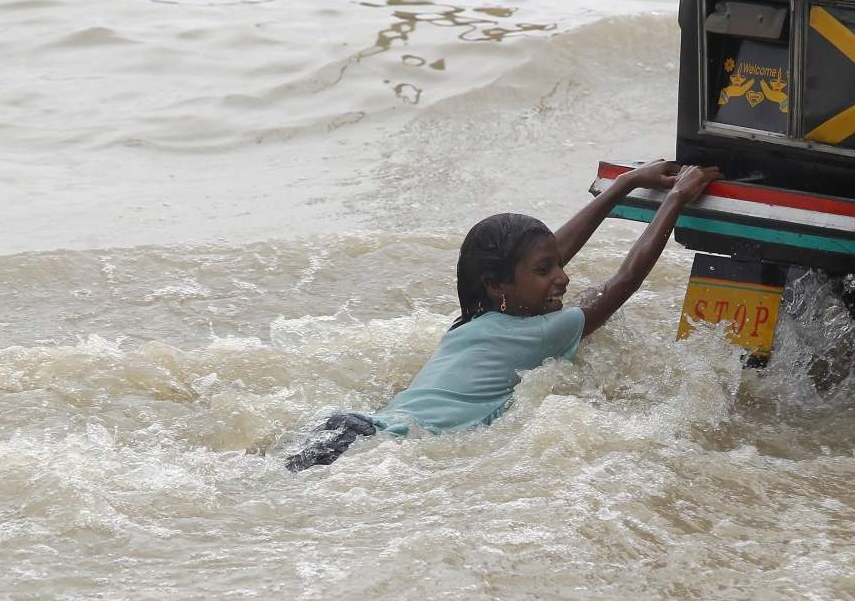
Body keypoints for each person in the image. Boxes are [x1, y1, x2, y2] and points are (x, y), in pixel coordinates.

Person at [283, 160, 722, 471]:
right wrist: (677, 197)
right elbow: (623, 282)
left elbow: (542, 256)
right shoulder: (543, 332)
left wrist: (623, 184)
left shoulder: (477, 317)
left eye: (557, 266)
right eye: (546, 271)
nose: (564, 279)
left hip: (351, 427)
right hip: (383, 448)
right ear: (499, 285)